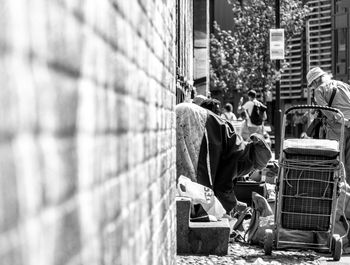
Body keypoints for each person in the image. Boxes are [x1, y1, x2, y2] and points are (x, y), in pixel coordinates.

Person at [176, 102, 272, 215]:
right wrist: (234, 205)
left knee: (185, 173)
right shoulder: (243, 158)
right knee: (193, 180)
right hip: (193, 122)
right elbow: (223, 186)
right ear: (253, 162)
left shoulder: (240, 146)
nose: (252, 171)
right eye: (254, 168)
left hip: (188, 114)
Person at [306, 67, 350, 184]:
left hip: (336, 128)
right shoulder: (343, 84)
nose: (312, 88)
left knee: (337, 161)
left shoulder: (319, 90)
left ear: (315, 81)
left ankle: (339, 192)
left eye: (311, 85)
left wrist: (341, 120)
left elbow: (327, 111)